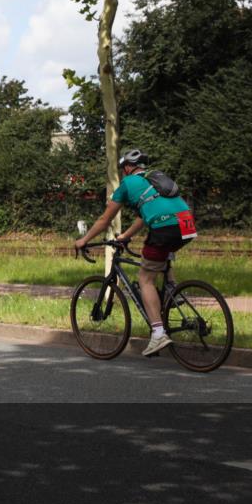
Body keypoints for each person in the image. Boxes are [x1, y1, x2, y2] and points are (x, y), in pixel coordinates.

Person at [74, 149, 197, 357]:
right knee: (161, 256)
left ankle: (158, 333)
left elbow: (105, 220)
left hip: (165, 228)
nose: (123, 174)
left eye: (123, 170)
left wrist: (84, 240)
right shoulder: (154, 179)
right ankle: (172, 291)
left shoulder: (127, 185)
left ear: (128, 168)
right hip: (187, 226)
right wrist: (125, 236)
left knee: (145, 278)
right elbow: (144, 216)